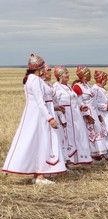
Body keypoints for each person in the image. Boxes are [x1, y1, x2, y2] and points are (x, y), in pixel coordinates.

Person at [3, 54, 64, 184]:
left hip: (37, 115)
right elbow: (39, 101)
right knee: (41, 142)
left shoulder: (32, 79)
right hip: (38, 116)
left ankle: (39, 173)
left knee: (38, 142)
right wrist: (50, 118)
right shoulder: (34, 80)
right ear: (39, 68)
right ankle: (40, 175)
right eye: (43, 67)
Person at [53, 65, 93, 165]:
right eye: (66, 73)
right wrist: (62, 119)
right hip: (67, 117)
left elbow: (76, 100)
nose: (68, 75)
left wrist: (82, 106)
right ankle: (68, 159)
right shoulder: (56, 87)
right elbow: (56, 103)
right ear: (60, 76)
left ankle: (80, 159)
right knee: (68, 138)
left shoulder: (69, 87)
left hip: (76, 116)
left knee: (79, 135)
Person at [73, 66, 108, 160]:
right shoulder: (77, 87)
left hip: (94, 111)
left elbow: (93, 101)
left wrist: (98, 114)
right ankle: (90, 154)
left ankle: (98, 153)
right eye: (88, 74)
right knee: (89, 133)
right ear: (84, 75)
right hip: (86, 114)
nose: (90, 76)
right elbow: (79, 103)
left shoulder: (87, 85)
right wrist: (86, 115)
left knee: (97, 131)